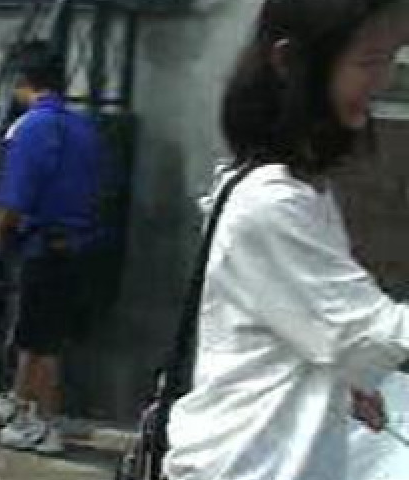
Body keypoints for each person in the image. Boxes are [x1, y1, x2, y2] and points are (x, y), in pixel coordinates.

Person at [162, 1, 409, 479]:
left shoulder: (300, 188)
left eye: (391, 58)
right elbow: (363, 333)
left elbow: (310, 324)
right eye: (369, 61)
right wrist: (354, 363)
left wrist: (348, 385)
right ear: (290, 61)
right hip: (247, 465)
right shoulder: (273, 203)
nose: (382, 81)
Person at [0, 40, 105, 455]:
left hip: (42, 244)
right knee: (38, 334)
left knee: (40, 341)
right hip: (79, 244)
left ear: (21, 81)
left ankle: (43, 422)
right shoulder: (84, 128)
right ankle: (23, 407)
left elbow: (15, 195)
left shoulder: (30, 127)